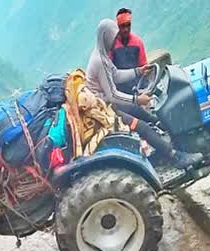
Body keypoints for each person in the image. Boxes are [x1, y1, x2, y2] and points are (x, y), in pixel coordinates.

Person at [86, 18, 203, 169]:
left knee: (144, 114)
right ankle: (175, 157)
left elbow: (115, 75)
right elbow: (112, 95)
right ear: (105, 37)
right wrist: (137, 99)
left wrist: (137, 71)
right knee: (141, 127)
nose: (115, 42)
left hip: (109, 104)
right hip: (105, 110)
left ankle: (167, 137)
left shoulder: (101, 55)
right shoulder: (99, 61)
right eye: (113, 38)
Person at [110, 8, 148, 94]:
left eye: (128, 25)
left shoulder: (138, 42)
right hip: (120, 92)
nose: (126, 29)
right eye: (123, 26)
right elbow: (110, 73)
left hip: (138, 87)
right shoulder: (111, 46)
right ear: (117, 27)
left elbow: (143, 67)